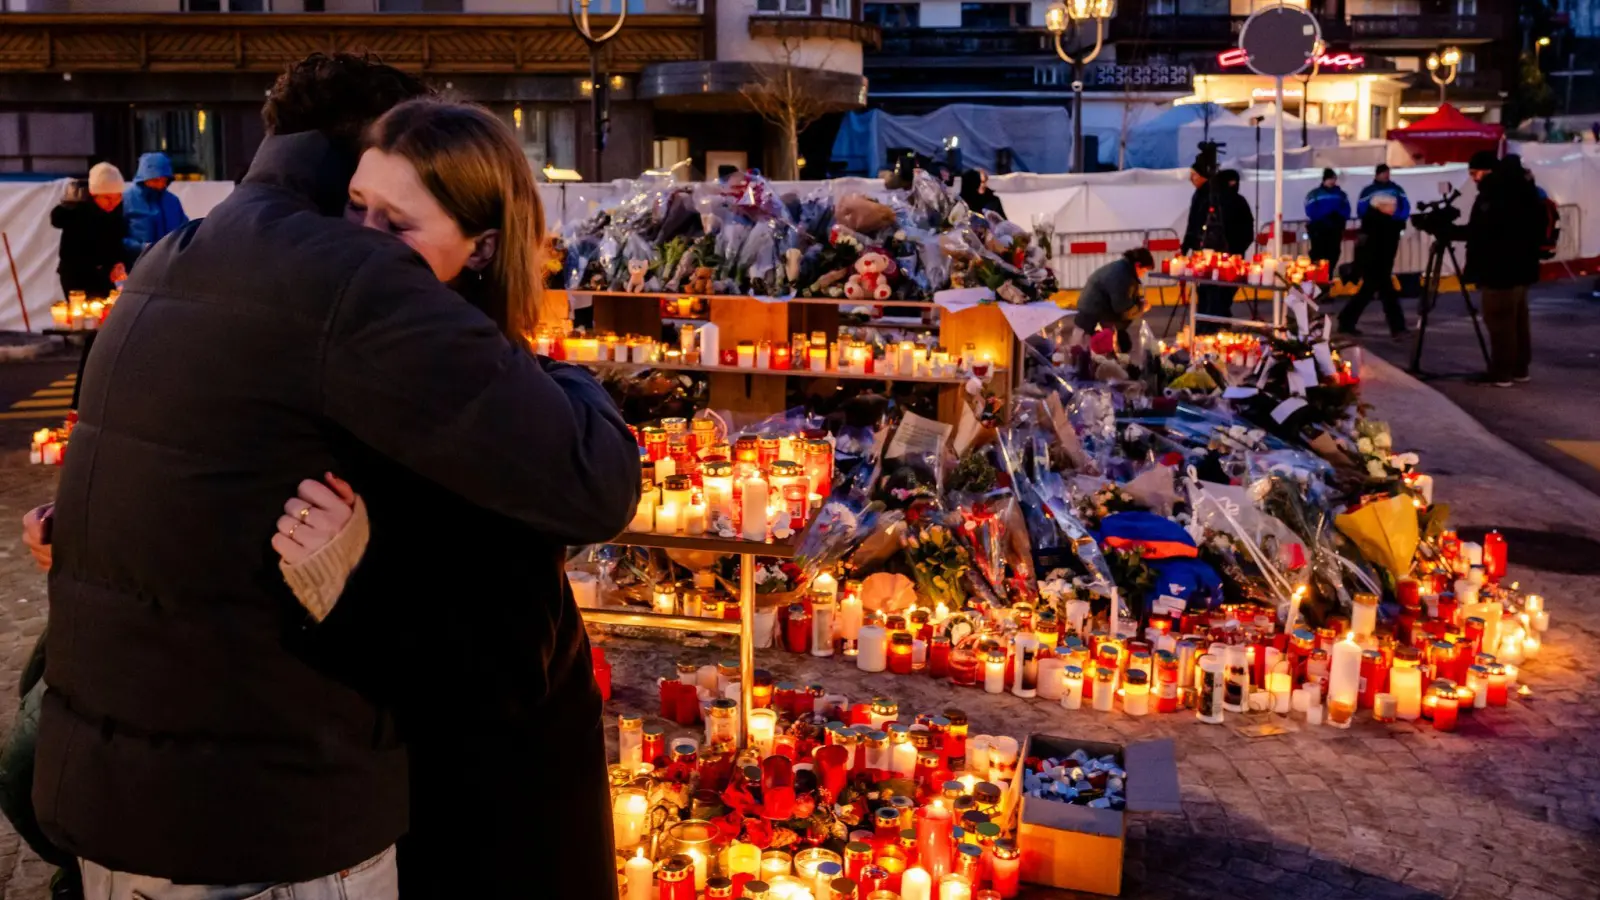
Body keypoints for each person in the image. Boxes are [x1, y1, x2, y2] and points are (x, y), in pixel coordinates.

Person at [33, 53, 639, 900]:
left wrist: (354, 585)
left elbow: (503, 660)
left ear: (482, 247)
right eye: (357, 206)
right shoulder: (361, 322)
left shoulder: (196, 258)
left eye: (397, 222)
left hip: (473, 826)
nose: (365, 239)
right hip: (265, 808)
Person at [1463, 149, 1545, 386]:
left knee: (1500, 322)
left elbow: (1483, 231)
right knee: (1518, 321)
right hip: (1523, 267)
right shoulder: (1524, 189)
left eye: (1474, 173)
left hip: (1498, 269)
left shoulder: (1494, 194)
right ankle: (1520, 369)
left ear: (1486, 170)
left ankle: (1501, 373)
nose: (1473, 179)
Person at [49, 162, 130, 300]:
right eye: (107, 198)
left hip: (104, 278)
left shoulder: (116, 212)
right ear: (94, 194)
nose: (113, 203)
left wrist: (118, 263)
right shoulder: (77, 214)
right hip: (77, 279)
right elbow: (75, 255)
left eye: (118, 198)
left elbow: (116, 242)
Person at [1191, 169, 1255, 332]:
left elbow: (1247, 231)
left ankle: (1210, 324)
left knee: (1213, 293)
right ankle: (1214, 323)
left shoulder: (1216, 201)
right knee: (1218, 293)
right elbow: (1248, 231)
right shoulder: (1230, 201)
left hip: (1218, 258)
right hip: (1225, 259)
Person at [1336, 192, 1406, 337]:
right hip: (1377, 265)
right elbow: (1373, 246)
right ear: (1381, 206)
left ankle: (1346, 320)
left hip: (1376, 264)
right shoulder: (1379, 223)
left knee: (1367, 294)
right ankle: (1398, 328)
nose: (1394, 208)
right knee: (1388, 297)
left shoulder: (1374, 221)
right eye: (1391, 205)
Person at [1073, 248, 1155, 352]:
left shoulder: (1122, 268)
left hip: (1090, 317)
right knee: (1095, 357)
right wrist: (1141, 307)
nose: (1142, 275)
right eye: (1143, 271)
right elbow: (1123, 309)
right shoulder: (1122, 276)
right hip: (1093, 322)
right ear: (1137, 265)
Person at [122, 151, 189, 259]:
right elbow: (116, 238)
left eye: (164, 180)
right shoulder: (127, 200)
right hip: (137, 266)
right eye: (155, 180)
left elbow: (185, 229)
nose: (160, 184)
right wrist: (142, 248)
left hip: (170, 264)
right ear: (143, 178)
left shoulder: (173, 201)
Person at [1304, 167, 1351, 275]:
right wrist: (1324, 215)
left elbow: (1346, 209)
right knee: (1319, 254)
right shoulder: (1315, 194)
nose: (1332, 181)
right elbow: (1310, 210)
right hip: (1319, 229)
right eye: (1330, 179)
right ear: (1324, 179)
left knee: (1333, 254)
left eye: (1334, 179)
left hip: (1335, 229)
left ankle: (1327, 275)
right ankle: (1318, 277)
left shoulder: (1341, 194)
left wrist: (1339, 217)